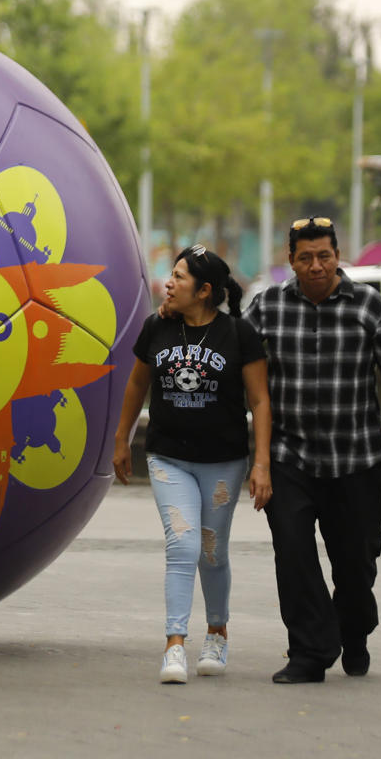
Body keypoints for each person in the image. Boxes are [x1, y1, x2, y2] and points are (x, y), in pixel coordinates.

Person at [244, 216, 381, 685]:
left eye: (324, 255)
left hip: (356, 459)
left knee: (355, 562)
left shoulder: (368, 305)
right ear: (291, 262)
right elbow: (230, 350)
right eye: (306, 258)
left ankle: (355, 630)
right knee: (294, 553)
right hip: (291, 459)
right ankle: (309, 651)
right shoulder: (268, 307)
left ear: (337, 257)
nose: (316, 265)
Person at [113, 245, 271, 685]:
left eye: (180, 277)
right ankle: (175, 644)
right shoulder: (156, 327)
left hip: (223, 462)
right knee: (181, 547)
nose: (169, 282)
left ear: (203, 291)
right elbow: (136, 385)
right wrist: (121, 439)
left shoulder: (239, 335)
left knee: (211, 551)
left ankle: (217, 632)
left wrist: (262, 463)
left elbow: (259, 400)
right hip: (168, 457)